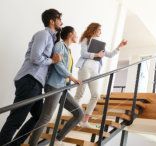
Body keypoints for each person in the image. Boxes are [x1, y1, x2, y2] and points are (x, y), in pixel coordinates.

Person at [0, 9, 63, 146]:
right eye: (59, 19)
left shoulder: (51, 39)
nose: (61, 22)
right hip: (30, 79)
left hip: (36, 82)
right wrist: (52, 60)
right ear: (52, 21)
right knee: (16, 119)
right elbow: (35, 58)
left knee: (39, 116)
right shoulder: (43, 34)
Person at [29, 26, 84, 145]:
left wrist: (69, 79)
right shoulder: (59, 45)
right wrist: (72, 77)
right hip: (54, 85)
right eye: (76, 33)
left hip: (63, 87)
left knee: (79, 113)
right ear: (70, 34)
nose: (77, 36)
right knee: (46, 117)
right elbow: (58, 65)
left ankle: (57, 139)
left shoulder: (68, 49)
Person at [74, 22, 127, 128]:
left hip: (95, 72)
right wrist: (96, 55)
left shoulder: (100, 44)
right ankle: (76, 118)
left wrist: (119, 47)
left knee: (95, 95)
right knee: (80, 94)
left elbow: (110, 55)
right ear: (93, 29)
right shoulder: (86, 40)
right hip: (85, 69)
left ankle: (85, 120)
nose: (100, 32)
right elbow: (83, 54)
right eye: (99, 30)